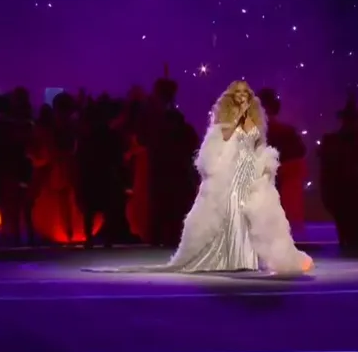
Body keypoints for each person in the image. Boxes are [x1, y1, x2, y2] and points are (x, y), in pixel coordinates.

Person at [93, 80, 313, 274]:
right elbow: (208, 159)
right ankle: (228, 254)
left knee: (253, 210)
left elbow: (255, 151)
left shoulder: (248, 128)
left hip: (243, 181)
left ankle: (245, 253)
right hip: (226, 182)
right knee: (225, 212)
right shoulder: (222, 130)